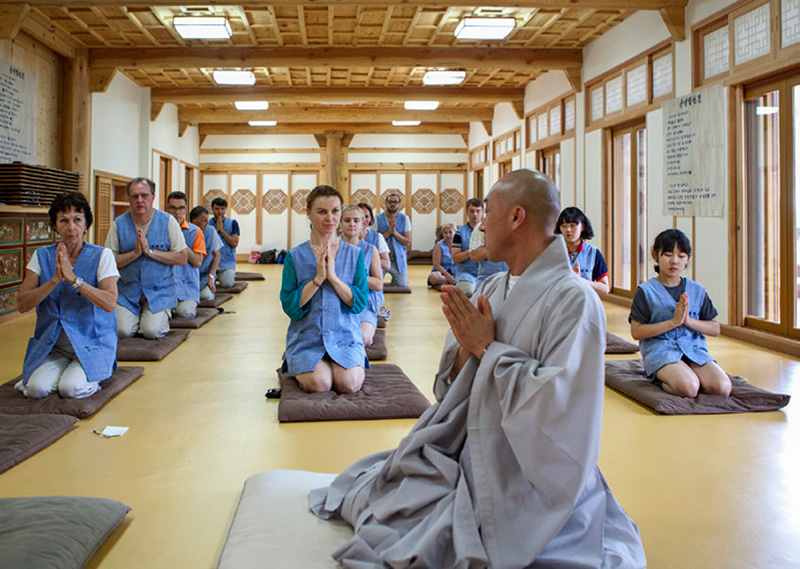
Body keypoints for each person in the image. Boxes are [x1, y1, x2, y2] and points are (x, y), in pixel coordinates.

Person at [310, 169, 646, 568]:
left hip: (528, 469)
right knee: (391, 494)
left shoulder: (575, 301)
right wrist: (469, 351)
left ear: (517, 217)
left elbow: (559, 408)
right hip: (467, 440)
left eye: (488, 211)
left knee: (439, 534)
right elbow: (447, 387)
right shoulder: (491, 287)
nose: (481, 223)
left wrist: (486, 345)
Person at [16, 192, 118, 399]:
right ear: (55, 226)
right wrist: (54, 280)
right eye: (63, 221)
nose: (71, 227)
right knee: (36, 389)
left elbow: (109, 303)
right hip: (53, 345)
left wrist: (74, 279)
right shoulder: (42, 255)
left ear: (86, 224)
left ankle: (88, 378)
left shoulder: (102, 255)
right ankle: (60, 376)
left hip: (91, 342)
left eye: (77, 220)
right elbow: (22, 304)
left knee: (70, 389)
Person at [279, 185, 369, 394]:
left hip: (345, 336)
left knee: (348, 384)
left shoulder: (354, 254)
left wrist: (334, 278)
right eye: (322, 212)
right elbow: (290, 306)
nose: (330, 218)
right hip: (307, 339)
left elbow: (359, 303)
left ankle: (339, 364)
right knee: (320, 384)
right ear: (308, 213)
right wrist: (318, 279)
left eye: (335, 211)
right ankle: (298, 359)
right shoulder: (295, 256)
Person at [629, 228, 732, 398]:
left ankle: (690, 375)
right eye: (668, 255)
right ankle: (663, 379)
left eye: (681, 256)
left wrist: (688, 321)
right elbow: (636, 332)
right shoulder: (646, 291)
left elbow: (715, 329)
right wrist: (672, 323)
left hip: (694, 350)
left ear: (687, 259)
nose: (674, 261)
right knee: (688, 388)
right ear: (655, 256)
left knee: (722, 388)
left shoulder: (697, 290)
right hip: (661, 351)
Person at [105, 177, 188, 339]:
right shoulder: (119, 224)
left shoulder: (168, 221)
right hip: (128, 292)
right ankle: (136, 318)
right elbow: (109, 261)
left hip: (160, 291)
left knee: (152, 332)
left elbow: (182, 258)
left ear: (153, 197)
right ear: (129, 198)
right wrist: (134, 254)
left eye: (144, 195)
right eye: (134, 196)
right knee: (122, 331)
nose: (140, 200)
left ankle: (160, 315)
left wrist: (150, 252)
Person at [341, 205, 383, 347]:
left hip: (364, 304)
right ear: (340, 223)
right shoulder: (333, 248)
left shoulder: (371, 250)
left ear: (363, 224)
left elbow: (378, 284)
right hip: (338, 302)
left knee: (363, 337)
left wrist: (353, 277)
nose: (351, 224)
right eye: (347, 220)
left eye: (356, 220)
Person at [166, 191, 206, 319]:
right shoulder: (161, 230)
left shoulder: (195, 231)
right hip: (164, 287)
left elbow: (197, 262)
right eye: (173, 208)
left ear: (186, 209)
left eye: (181, 208)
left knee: (185, 313)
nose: (177, 212)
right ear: (167, 209)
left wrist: (180, 240)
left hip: (187, 287)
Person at [555, 206, 610, 294]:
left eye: (573, 225)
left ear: (583, 227)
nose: (568, 230)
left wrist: (580, 280)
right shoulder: (554, 252)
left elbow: (605, 288)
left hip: (585, 302)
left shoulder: (593, 253)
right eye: (564, 226)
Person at [359, 202, 390, 320]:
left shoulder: (377, 237)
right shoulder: (342, 239)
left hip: (373, 287)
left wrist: (370, 258)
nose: (363, 220)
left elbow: (387, 265)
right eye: (360, 217)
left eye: (366, 216)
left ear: (371, 218)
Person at [468, 199, 509, 289]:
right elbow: (474, 255)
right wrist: (499, 246)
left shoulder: (514, 226)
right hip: (486, 278)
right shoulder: (480, 228)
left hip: (511, 279)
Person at [375, 192, 412, 287]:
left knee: (402, 285)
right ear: (385, 203)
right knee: (375, 283)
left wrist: (395, 233)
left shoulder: (405, 218)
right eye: (390, 201)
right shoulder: (377, 218)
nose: (393, 204)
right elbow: (374, 241)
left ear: (399, 204)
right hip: (381, 259)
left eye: (395, 202)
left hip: (398, 259)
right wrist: (388, 232)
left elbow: (407, 241)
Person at [451, 197, 483, 296]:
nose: (475, 214)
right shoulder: (459, 232)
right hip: (466, 274)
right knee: (469, 292)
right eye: (472, 211)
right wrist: (473, 249)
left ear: (483, 212)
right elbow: (455, 258)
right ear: (467, 212)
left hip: (485, 273)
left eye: (478, 211)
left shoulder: (490, 230)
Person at [189, 205, 222, 301]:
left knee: (206, 296)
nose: (208, 223)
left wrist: (211, 276)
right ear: (195, 222)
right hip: (189, 275)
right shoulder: (186, 232)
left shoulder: (211, 231)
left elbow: (217, 255)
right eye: (204, 220)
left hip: (205, 274)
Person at [211, 197, 240, 288]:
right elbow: (205, 243)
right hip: (210, 262)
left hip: (227, 262)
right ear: (212, 209)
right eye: (217, 209)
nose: (220, 211)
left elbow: (234, 243)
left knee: (227, 284)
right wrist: (215, 230)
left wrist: (222, 231)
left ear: (226, 209)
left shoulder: (233, 223)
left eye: (222, 208)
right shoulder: (207, 223)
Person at [427, 222, 457, 290]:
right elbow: (436, 265)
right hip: (442, 273)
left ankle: (448, 284)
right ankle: (453, 283)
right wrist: (448, 276)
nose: (448, 235)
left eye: (450, 232)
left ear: (455, 233)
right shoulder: (439, 245)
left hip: (456, 272)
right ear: (442, 234)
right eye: (445, 233)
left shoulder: (460, 244)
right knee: (434, 277)